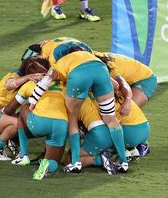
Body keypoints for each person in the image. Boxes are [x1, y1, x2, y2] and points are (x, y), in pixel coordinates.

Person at [28, 42, 130, 173]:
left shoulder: (59, 63)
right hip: (101, 71)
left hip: (78, 75)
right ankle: (123, 162)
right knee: (110, 119)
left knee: (72, 118)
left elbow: (44, 83)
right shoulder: (91, 56)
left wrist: (32, 102)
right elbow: (115, 86)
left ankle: (76, 163)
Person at [3, 56, 66, 180]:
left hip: (39, 123)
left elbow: (9, 110)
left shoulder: (31, 84)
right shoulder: (64, 82)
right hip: (61, 124)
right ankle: (47, 164)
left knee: (24, 108)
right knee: (54, 161)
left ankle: (23, 155)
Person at [0, 57, 44, 160]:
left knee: (29, 120)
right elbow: (10, 84)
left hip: (5, 113)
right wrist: (28, 77)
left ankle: (12, 141)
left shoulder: (29, 81)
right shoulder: (15, 74)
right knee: (17, 124)